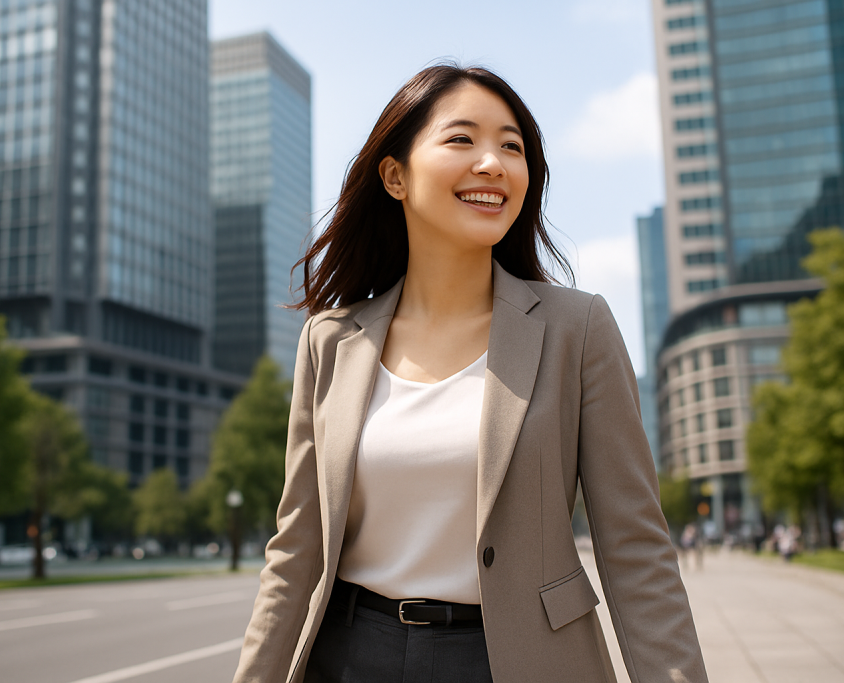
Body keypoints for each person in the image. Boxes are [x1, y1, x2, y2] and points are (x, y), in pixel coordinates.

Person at [232, 63, 708, 683]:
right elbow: (296, 552)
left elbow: (636, 549)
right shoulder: (331, 340)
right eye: (462, 139)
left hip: (522, 659)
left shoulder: (578, 328)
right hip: (350, 655)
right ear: (395, 175)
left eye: (512, 147)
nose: (493, 163)